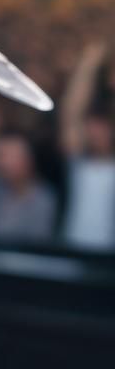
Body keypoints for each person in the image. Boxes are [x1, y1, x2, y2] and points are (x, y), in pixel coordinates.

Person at [59, 41, 115, 251]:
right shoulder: (79, 163)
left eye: (101, 127)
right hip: (72, 249)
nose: (94, 133)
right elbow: (71, 113)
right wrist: (89, 63)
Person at [0, 132, 57, 244]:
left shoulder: (43, 199)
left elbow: (39, 243)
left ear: (27, 161)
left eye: (8, 157)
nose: (1, 163)